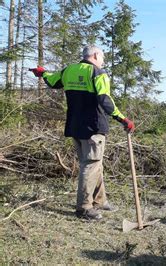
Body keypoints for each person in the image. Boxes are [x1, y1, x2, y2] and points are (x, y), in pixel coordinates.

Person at [29, 45, 135, 220]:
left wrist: (42, 73)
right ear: (94, 55)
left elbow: (53, 81)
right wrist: (123, 119)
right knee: (90, 165)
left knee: (95, 164)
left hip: (75, 127)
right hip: (93, 128)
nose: (103, 61)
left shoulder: (69, 70)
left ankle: (100, 200)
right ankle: (84, 208)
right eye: (102, 57)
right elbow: (105, 99)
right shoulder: (98, 73)